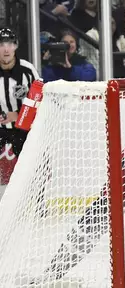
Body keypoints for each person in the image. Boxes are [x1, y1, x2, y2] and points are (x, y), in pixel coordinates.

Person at [0, 28, 39, 200]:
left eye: (9, 44)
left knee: (31, 164)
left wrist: (18, 114)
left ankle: (37, 200)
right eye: (1, 45)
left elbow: (40, 97)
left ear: (15, 46)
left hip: (23, 127)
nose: (6, 49)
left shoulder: (27, 70)